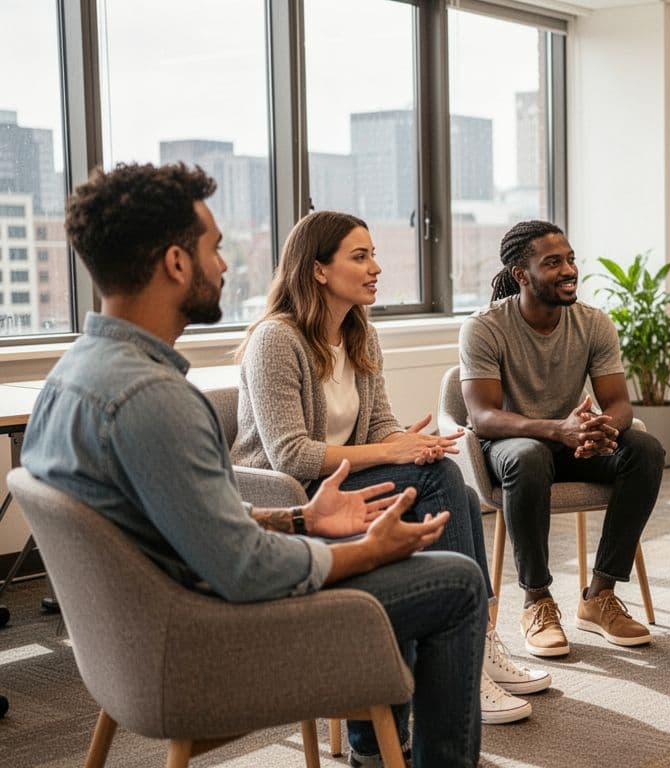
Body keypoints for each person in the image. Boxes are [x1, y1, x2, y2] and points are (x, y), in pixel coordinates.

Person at [23, 162, 486, 767]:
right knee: (457, 582)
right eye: (215, 248)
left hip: (142, 641)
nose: (224, 264)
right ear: (176, 263)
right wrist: (368, 552)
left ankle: (377, 751)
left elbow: (192, 522)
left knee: (428, 522)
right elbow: (245, 568)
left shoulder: (74, 377)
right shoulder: (154, 399)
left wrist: (302, 519)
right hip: (208, 642)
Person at [232, 210, 544, 726]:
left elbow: (378, 425)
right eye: (360, 256)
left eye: (374, 254)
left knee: (457, 489)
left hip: (346, 480)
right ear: (318, 271)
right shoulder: (276, 341)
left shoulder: (360, 335)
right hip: (295, 495)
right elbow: (292, 455)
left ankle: (477, 645)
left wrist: (408, 442)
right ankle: (471, 658)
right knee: (444, 482)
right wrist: (390, 453)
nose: (376, 266)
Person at [459, 220, 666, 658]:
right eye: (553, 263)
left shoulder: (593, 323)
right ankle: (537, 601)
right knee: (529, 457)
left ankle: (599, 595)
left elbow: (619, 403)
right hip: (515, 444)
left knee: (645, 449)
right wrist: (558, 428)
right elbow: (483, 417)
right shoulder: (484, 327)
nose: (569, 269)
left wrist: (600, 429)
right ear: (521, 275)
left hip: (573, 440)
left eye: (570, 259)